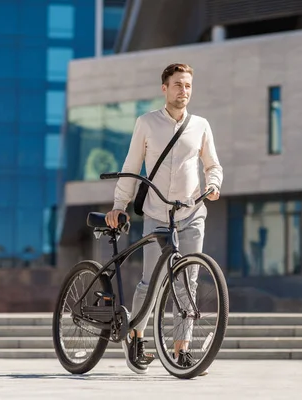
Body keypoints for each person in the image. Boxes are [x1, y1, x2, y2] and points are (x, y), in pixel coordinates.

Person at [105, 63, 223, 375]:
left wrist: (214, 184)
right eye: (178, 85)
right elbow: (132, 166)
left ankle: (181, 350)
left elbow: (213, 165)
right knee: (151, 282)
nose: (184, 91)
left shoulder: (200, 125)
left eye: (188, 86)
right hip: (157, 214)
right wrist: (120, 204)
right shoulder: (146, 123)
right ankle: (136, 335)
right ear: (164, 88)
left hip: (191, 213)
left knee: (188, 281)